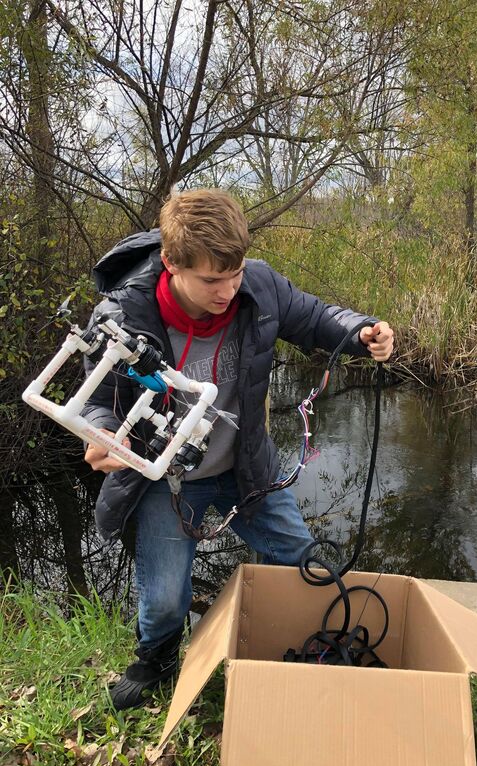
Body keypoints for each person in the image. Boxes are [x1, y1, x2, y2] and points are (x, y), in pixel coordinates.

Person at [82, 188, 394, 710]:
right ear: (171, 263)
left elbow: (315, 317)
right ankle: (155, 660)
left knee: (302, 560)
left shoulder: (260, 285)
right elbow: (100, 396)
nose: (228, 290)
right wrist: (100, 433)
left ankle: (315, 649)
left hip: (248, 470)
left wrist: (361, 330)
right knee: (163, 601)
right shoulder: (122, 316)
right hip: (167, 481)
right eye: (211, 280)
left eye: (235, 273)